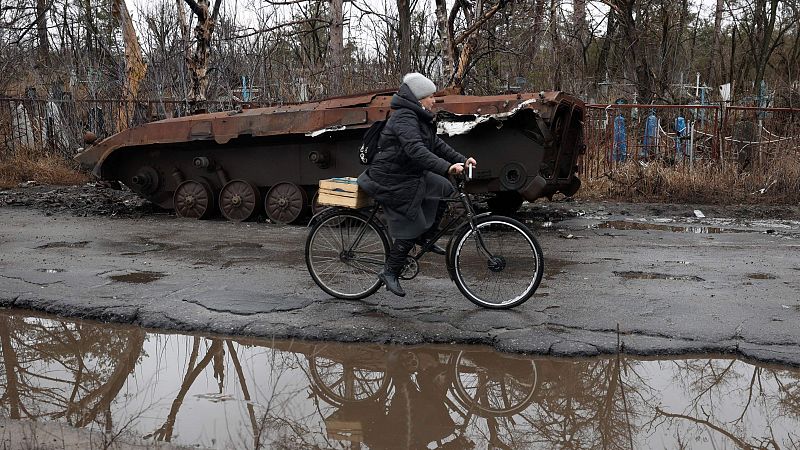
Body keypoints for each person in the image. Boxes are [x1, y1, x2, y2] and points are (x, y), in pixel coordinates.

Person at [357, 73, 476, 297]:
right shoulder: (403, 118)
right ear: (419, 98)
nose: (434, 100)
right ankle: (390, 272)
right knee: (411, 219)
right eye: (430, 96)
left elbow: (436, 144)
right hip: (390, 178)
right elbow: (416, 150)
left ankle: (425, 238)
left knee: (444, 189)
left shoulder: (418, 116)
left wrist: (460, 159)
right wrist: (446, 168)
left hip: (407, 173)